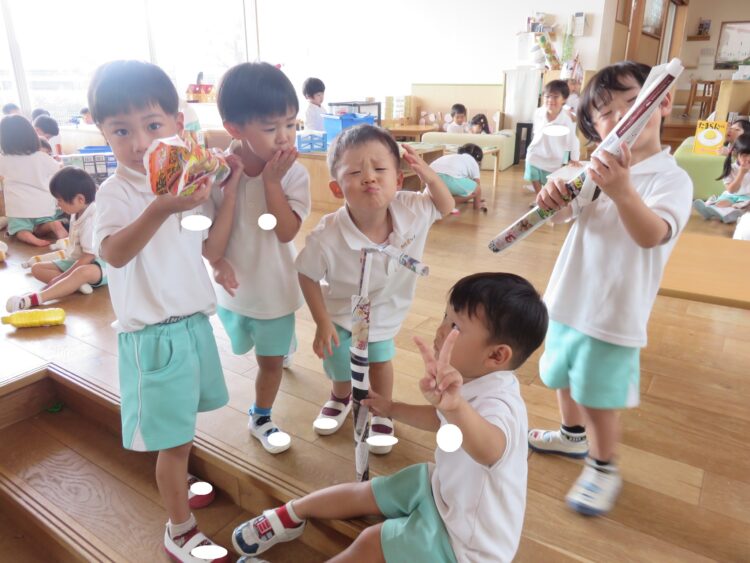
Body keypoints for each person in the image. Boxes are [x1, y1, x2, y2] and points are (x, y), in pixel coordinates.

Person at [231, 272, 549, 562]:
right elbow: (440, 419)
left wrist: (455, 408)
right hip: (445, 489)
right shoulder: (471, 379)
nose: (440, 330)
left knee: (371, 541)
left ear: (496, 355)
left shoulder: (501, 403)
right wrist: (391, 408)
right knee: (372, 491)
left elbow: (490, 449)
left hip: (466, 543)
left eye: (454, 327)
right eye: (445, 317)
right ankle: (290, 514)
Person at [89, 59, 242, 562]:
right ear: (103, 133)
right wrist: (159, 207)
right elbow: (113, 254)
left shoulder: (184, 181)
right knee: (172, 443)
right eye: (121, 131)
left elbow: (208, 246)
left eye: (152, 125)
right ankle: (179, 531)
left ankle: (181, 482)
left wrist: (227, 195)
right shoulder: (115, 192)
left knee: (183, 425)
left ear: (177, 124)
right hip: (153, 338)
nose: (139, 143)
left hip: (193, 326)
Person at [528, 61, 693, 516]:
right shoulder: (592, 168)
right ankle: (571, 437)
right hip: (567, 297)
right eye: (605, 112)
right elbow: (564, 214)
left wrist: (622, 191)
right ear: (594, 126)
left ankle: (603, 467)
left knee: (597, 397)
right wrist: (554, 198)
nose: (621, 117)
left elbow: (651, 234)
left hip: (613, 312)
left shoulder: (671, 179)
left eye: (632, 103)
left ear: (661, 103)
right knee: (561, 374)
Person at [295, 124, 454, 453]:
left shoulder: (411, 209)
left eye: (380, 169)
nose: (369, 177)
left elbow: (444, 204)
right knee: (340, 362)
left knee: (380, 362)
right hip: (342, 312)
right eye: (355, 172)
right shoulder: (327, 235)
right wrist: (322, 322)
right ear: (337, 188)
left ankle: (382, 408)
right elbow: (306, 275)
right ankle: (340, 396)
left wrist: (430, 177)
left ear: (399, 180)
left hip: (384, 309)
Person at [205, 62, 311, 454]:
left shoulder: (293, 174)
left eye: (291, 124)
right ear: (235, 129)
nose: (284, 137)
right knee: (245, 342)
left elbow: (285, 232)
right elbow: (209, 244)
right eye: (270, 128)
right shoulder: (215, 173)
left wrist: (271, 182)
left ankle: (260, 415)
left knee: (269, 362)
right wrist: (217, 263)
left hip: (276, 288)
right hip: (233, 290)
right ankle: (282, 345)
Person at [6, 167, 107, 312]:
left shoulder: (91, 219)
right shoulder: (77, 212)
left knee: (82, 272)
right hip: (76, 261)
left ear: (80, 199)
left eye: (60, 200)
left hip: (98, 266)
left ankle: (37, 298)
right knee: (37, 268)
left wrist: (61, 277)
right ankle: (75, 285)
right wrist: (65, 276)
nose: (58, 204)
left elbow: (89, 256)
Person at [0, 115, 66, 246]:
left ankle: (28, 236)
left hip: (18, 208)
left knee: (19, 228)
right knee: (42, 225)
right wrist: (61, 163)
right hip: (43, 206)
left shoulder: (3, 159)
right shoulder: (42, 157)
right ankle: (53, 225)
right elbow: (59, 170)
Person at [524, 79, 581, 195]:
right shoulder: (538, 113)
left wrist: (574, 158)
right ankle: (539, 197)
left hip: (555, 155)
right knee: (533, 171)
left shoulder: (567, 118)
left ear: (564, 99)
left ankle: (547, 197)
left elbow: (573, 140)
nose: (550, 100)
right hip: (536, 152)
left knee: (552, 182)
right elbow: (536, 131)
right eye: (547, 96)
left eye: (555, 97)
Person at [693, 133, 750, 224]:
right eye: (745, 155)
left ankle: (730, 214)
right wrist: (741, 173)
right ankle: (710, 209)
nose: (748, 158)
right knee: (721, 204)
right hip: (731, 195)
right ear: (736, 154)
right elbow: (731, 190)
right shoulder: (731, 168)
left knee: (743, 207)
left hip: (747, 198)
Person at [430, 142, 487, 213]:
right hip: (448, 178)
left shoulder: (454, 156)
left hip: (430, 177)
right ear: (478, 160)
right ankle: (477, 206)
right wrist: (477, 199)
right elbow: (476, 186)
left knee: (454, 187)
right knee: (477, 190)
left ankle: (436, 201)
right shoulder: (473, 162)